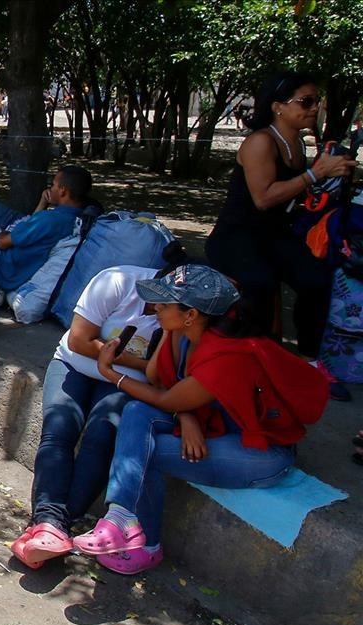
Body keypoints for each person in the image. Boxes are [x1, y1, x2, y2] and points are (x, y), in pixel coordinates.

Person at [69, 265, 328, 575]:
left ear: (191, 314)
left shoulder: (228, 355)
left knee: (144, 452)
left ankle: (145, 544)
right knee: (136, 413)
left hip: (260, 453)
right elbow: (158, 379)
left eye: (165, 304)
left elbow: (166, 399)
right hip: (210, 425)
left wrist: (111, 374)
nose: (156, 308)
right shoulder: (183, 332)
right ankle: (121, 517)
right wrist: (186, 412)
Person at [11, 265, 166, 569]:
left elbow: (158, 375)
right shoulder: (117, 281)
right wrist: (125, 359)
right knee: (59, 428)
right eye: (155, 302)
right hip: (73, 365)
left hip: (124, 382)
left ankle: (55, 528)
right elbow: (79, 340)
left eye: (165, 307)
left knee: (101, 435)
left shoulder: (177, 320)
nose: (157, 310)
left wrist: (119, 365)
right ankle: (48, 523)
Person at [205, 72, 356, 358]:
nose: (314, 108)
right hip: (236, 236)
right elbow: (264, 198)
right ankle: (258, 359)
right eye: (305, 102)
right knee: (261, 283)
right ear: (278, 106)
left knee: (317, 280)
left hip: (273, 235)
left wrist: (330, 180)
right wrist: (316, 174)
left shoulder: (296, 143)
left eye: (316, 101)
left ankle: (310, 359)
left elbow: (294, 195)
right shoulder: (260, 142)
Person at [0, 166, 92, 292]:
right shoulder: (77, 222)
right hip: (20, 271)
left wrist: (2, 234)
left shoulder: (50, 219)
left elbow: (1, 243)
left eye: (53, 185)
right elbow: (32, 228)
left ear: (62, 191)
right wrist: (43, 203)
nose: (50, 188)